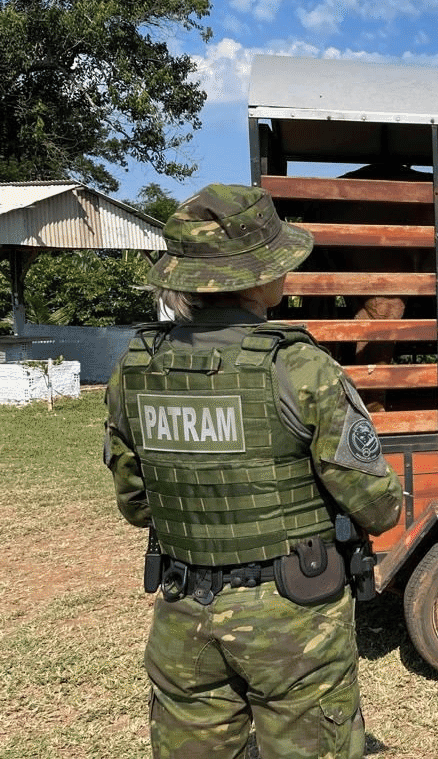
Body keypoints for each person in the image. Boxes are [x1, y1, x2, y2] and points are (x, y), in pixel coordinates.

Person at [104, 184, 403, 759]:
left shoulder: (135, 370)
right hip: (293, 618)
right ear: (261, 279)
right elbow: (379, 506)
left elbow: (136, 503)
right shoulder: (301, 368)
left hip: (183, 609)